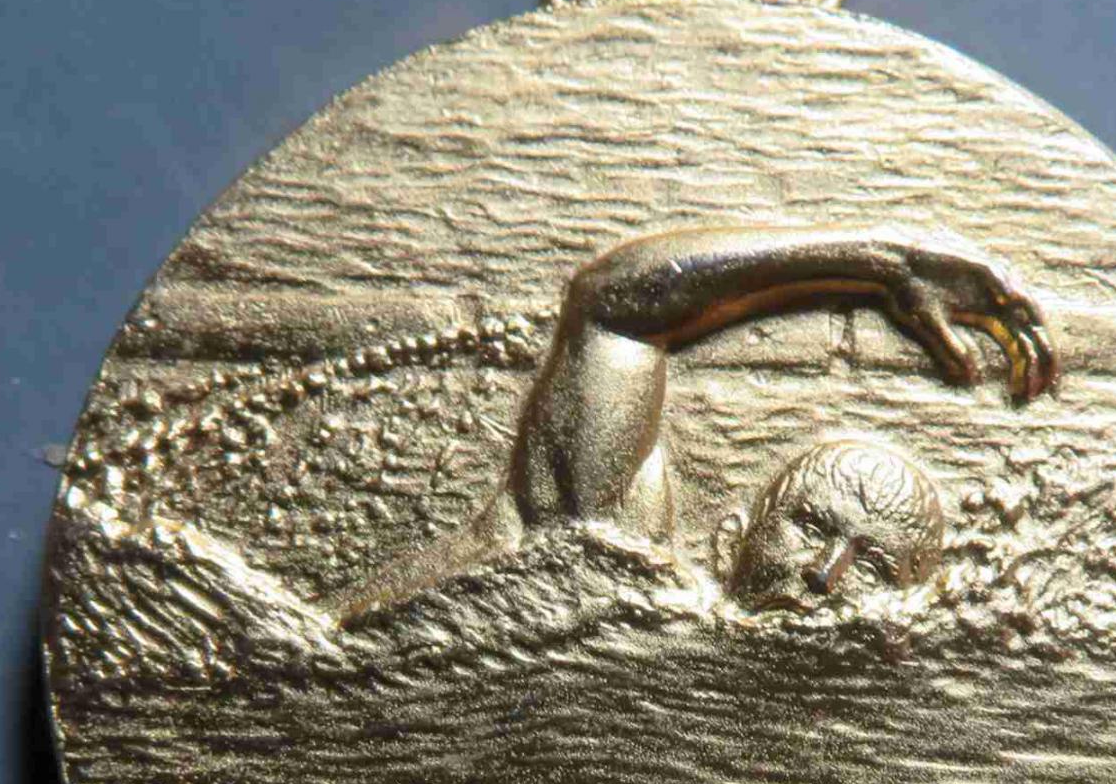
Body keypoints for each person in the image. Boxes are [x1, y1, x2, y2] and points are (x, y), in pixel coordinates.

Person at [335, 221, 1055, 623]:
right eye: (809, 528)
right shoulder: (614, 569)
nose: (823, 576)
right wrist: (879, 263)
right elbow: (609, 306)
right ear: (730, 537)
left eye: (871, 566)